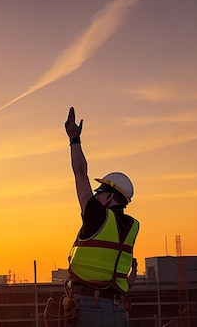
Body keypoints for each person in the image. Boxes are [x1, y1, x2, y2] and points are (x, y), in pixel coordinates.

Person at [63, 107, 140, 327]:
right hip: (118, 310)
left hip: (90, 308)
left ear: (108, 197)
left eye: (100, 193)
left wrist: (74, 140)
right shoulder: (131, 226)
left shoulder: (97, 216)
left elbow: (80, 174)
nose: (96, 196)